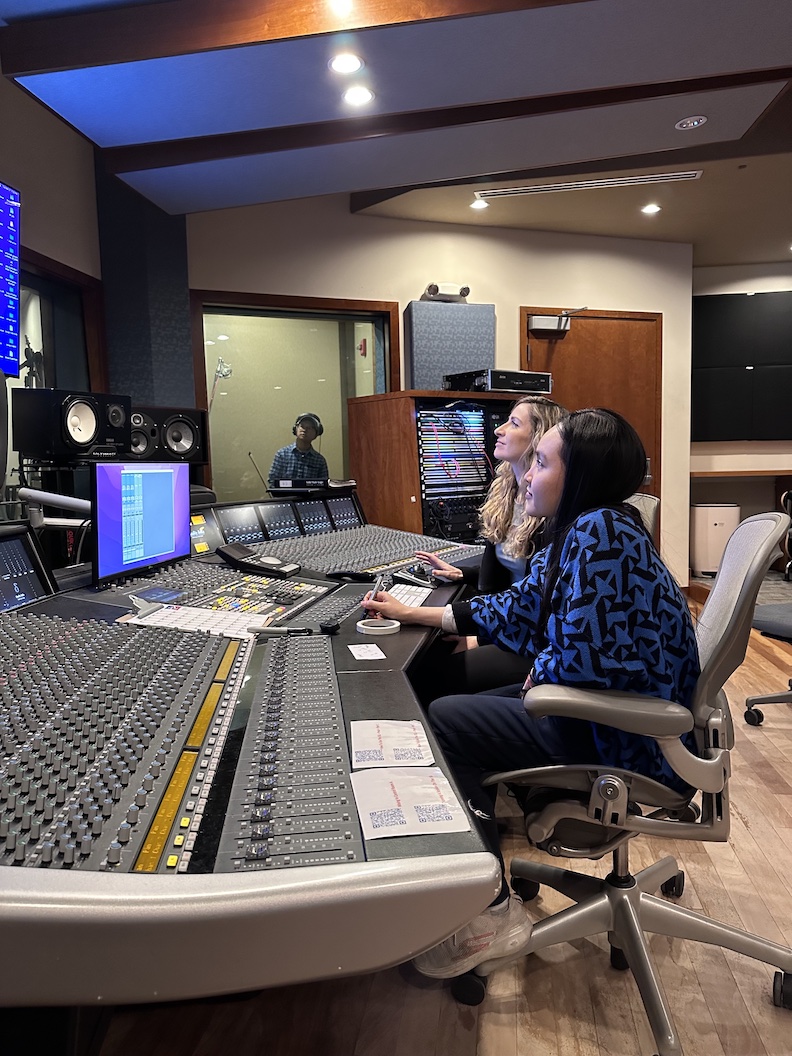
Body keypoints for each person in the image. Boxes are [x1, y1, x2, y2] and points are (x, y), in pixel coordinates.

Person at [363, 408, 700, 978]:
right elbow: (523, 612)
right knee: (454, 703)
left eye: (541, 463)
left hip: (627, 738)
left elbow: (588, 661)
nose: (525, 475)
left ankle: (487, 914)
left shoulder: (599, 535)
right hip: (625, 718)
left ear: (580, 477)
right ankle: (459, 883)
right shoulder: (596, 527)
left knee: (444, 718)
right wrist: (416, 611)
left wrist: (539, 669)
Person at [412, 395, 566, 698]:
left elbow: (537, 601)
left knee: (429, 676)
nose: (499, 429)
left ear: (539, 436)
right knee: (431, 659)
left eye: (514, 423)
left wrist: (477, 638)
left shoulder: (553, 509)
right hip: (508, 625)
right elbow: (511, 569)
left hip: (532, 640)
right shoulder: (507, 492)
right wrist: (465, 574)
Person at [268, 412, 328, 484]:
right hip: (285, 495)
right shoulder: (282, 454)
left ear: (316, 434)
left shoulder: (320, 460)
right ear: (295, 429)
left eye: (309, 428)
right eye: (302, 426)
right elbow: (273, 481)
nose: (304, 430)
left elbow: (323, 486)